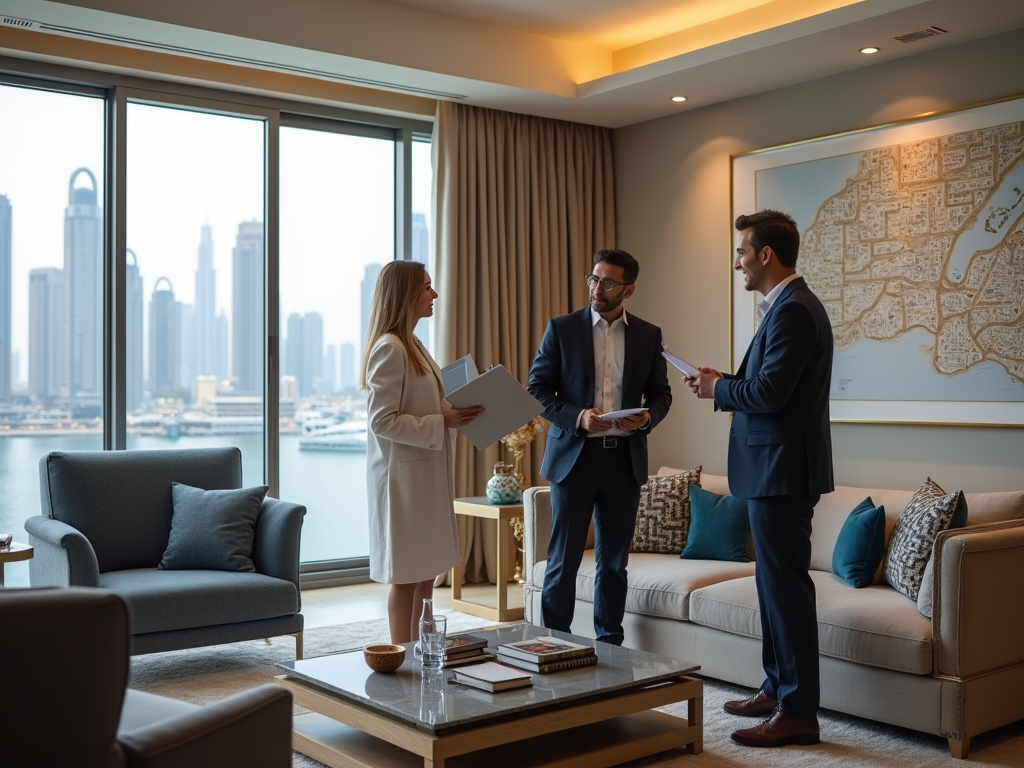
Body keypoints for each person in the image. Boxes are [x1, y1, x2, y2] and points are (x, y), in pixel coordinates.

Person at [684, 210, 834, 747]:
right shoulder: (788, 307)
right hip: (774, 469)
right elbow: (770, 386)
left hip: (783, 473)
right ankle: (776, 688)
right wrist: (722, 380)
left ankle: (797, 713)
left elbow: (769, 396)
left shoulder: (794, 311)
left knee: (786, 591)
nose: (737, 262)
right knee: (773, 587)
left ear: (765, 255)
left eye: (742, 252)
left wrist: (717, 391)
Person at [527, 249, 672, 646]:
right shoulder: (562, 329)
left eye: (608, 282)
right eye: (594, 279)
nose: (597, 289)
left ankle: (610, 647)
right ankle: (552, 644)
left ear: (629, 290)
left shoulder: (648, 334)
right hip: (575, 458)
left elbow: (661, 394)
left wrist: (647, 417)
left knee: (614, 564)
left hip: (624, 460)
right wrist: (578, 417)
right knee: (563, 561)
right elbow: (536, 390)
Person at [362, 260, 484, 644]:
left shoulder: (414, 344)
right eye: (427, 287)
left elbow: (425, 402)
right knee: (407, 574)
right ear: (406, 294)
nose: (434, 295)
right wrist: (441, 422)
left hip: (425, 474)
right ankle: (401, 655)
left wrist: (459, 409)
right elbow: (381, 421)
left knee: (427, 569)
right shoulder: (390, 348)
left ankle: (424, 649)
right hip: (402, 480)